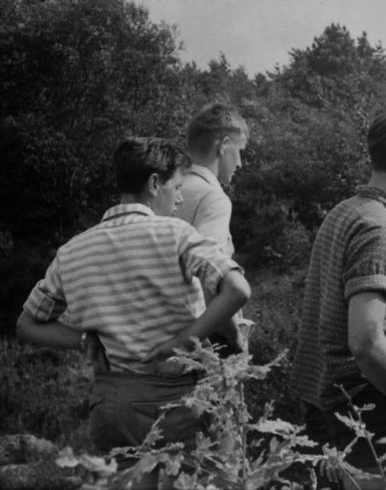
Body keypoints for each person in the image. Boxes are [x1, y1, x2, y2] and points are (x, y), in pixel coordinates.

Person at [17, 137, 251, 489]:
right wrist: (183, 341)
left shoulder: (72, 250)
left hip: (113, 406)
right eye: (176, 187)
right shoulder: (175, 234)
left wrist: (84, 338)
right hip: (177, 401)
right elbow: (236, 289)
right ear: (155, 183)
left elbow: (26, 324)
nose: (179, 198)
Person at [291, 109, 386, 488]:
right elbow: (365, 340)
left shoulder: (344, 213)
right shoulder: (379, 226)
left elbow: (334, 310)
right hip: (371, 408)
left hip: (332, 402)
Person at [174, 103, 252, 349]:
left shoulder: (166, 191)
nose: (240, 163)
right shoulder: (213, 198)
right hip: (203, 342)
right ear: (224, 145)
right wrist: (233, 337)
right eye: (239, 152)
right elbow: (211, 278)